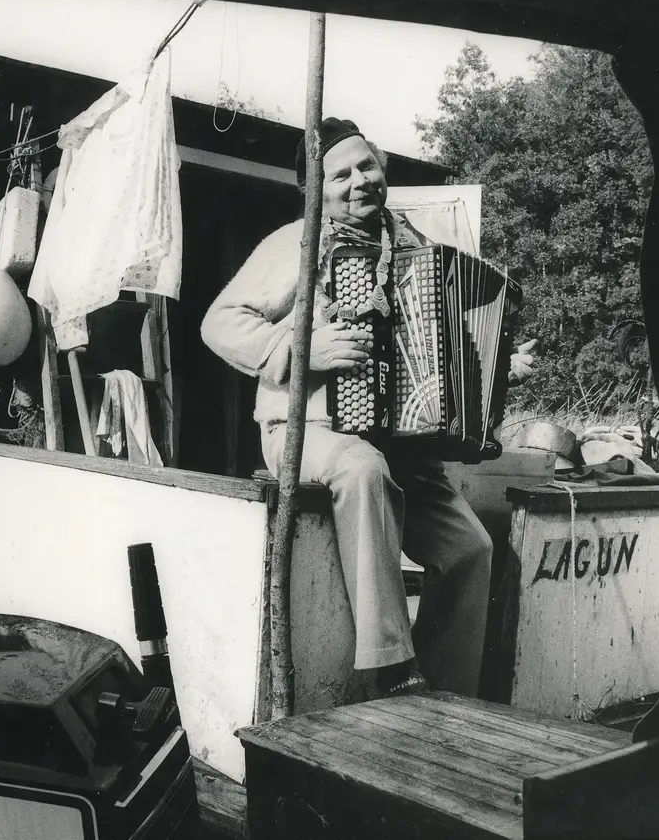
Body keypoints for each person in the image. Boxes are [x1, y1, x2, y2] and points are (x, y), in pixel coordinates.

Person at [201, 117, 534, 699]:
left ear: (383, 170)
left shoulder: (417, 252)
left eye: (366, 166)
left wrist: (500, 367)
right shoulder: (298, 244)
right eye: (339, 175)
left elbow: (445, 352)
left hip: (398, 442)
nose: (358, 182)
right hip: (304, 430)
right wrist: (302, 351)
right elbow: (219, 324)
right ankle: (388, 668)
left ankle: (445, 692)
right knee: (360, 467)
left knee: (471, 548)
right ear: (316, 191)